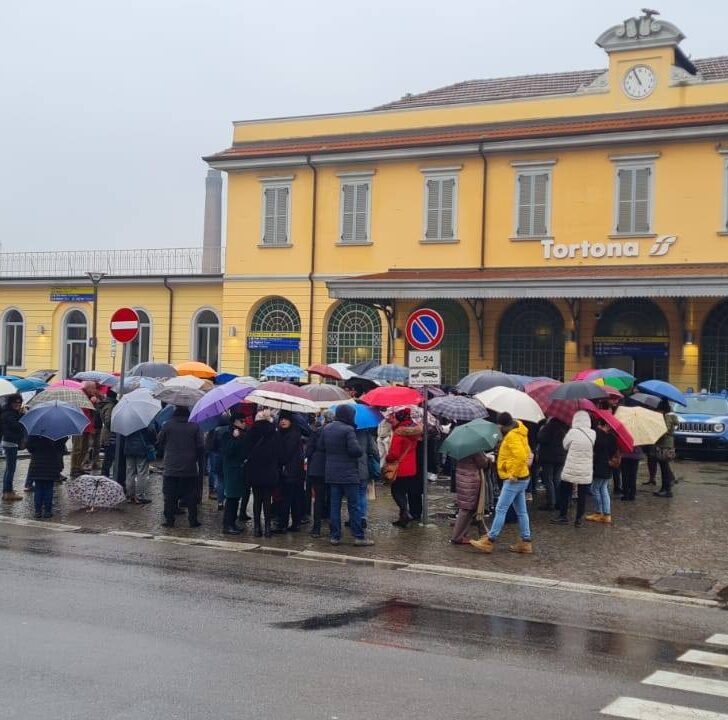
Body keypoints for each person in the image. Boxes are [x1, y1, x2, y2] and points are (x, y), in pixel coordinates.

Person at [470, 412, 532, 554]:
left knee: (500, 509)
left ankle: (490, 540)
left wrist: (513, 473)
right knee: (521, 511)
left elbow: (521, 455)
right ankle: (525, 541)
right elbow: (526, 452)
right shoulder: (520, 430)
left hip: (514, 479)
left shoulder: (512, 436)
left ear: (501, 424)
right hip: (523, 477)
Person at [321, 404, 373, 546]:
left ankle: (335, 536)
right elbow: (355, 451)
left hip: (332, 473)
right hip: (349, 474)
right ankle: (358, 537)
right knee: (354, 506)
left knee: (334, 506)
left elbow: (322, 447)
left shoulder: (327, 428)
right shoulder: (348, 430)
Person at [156, 406, 205, 528]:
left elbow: (159, 441)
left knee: (169, 496)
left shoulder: (167, 425)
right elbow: (201, 446)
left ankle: (169, 520)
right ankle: (193, 520)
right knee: (191, 496)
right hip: (189, 468)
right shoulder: (195, 426)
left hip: (171, 467)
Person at [552, 410, 595, 527]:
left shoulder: (572, 432)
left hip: (571, 467)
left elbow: (565, 445)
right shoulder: (593, 433)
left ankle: (563, 516)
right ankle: (579, 519)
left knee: (565, 491)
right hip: (586, 468)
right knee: (582, 495)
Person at [244, 410, 280, 537]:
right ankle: (268, 528)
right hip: (269, 470)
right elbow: (278, 452)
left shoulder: (251, 431)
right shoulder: (275, 432)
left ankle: (257, 528)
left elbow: (246, 450)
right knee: (267, 499)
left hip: (255, 470)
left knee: (257, 500)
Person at [386, 408, 423, 528]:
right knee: (406, 491)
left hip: (400, 468)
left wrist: (387, 458)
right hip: (411, 467)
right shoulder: (415, 431)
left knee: (396, 491)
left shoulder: (399, 433)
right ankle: (404, 516)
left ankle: (405, 513)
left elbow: (394, 454)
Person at [451, 451, 490, 544]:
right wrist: (488, 458)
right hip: (471, 479)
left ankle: (484, 533)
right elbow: (482, 463)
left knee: (473, 507)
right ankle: (457, 537)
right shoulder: (476, 449)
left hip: (462, 476)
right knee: (467, 509)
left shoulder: (461, 446)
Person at [277, 410, 305, 532]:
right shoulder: (284, 433)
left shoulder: (293, 434)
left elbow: (285, 453)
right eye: (281, 419)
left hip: (291, 472)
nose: (283, 421)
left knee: (287, 499)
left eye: (285, 419)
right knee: (293, 498)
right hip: (292, 472)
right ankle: (295, 523)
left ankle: (284, 524)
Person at [26, 435, 67, 518]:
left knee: (38, 488)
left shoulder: (35, 432)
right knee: (49, 488)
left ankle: (37, 512)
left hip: (37, 463)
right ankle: (48, 512)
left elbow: (29, 447)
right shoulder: (58, 433)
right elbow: (62, 449)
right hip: (51, 463)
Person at [585, 419, 617, 524]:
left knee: (595, 488)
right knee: (603, 489)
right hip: (608, 467)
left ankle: (599, 512)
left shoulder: (598, 435)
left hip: (599, 467)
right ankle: (607, 515)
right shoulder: (612, 437)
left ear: (602, 425)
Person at [306, 411, 332, 538]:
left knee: (318, 499)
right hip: (332, 468)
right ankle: (333, 528)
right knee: (333, 498)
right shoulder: (336, 432)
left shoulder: (317, 431)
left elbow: (308, 451)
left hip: (317, 468)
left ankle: (316, 528)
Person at [220, 414, 247, 535]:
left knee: (236, 498)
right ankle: (228, 525)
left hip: (239, 469)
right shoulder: (228, 434)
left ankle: (232, 523)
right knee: (231, 497)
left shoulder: (242, 433)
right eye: (241, 420)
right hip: (232, 469)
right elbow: (227, 451)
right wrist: (235, 439)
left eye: (244, 420)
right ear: (234, 422)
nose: (244, 422)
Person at [536, 415, 568, 511]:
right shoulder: (565, 426)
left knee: (548, 480)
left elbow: (540, 438)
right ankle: (559, 502)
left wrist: (542, 429)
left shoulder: (549, 426)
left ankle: (551, 503)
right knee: (557, 479)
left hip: (549, 458)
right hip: (561, 457)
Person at [1, 394, 26, 500]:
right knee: (11, 469)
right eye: (15, 402)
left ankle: (8, 490)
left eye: (19, 402)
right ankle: (7, 492)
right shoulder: (8, 414)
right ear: (10, 403)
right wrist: (22, 416)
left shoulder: (10, 413)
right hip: (10, 443)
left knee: (9, 469)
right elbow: (17, 427)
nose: (18, 404)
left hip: (10, 442)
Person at [124, 427, 156, 504]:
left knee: (130, 472)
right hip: (142, 449)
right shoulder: (144, 422)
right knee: (142, 473)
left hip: (129, 449)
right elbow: (152, 434)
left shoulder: (127, 422)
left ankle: (130, 495)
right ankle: (140, 496)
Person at [653, 400, 678, 498]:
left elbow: (665, 430)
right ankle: (664, 488)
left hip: (665, 445)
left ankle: (667, 489)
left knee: (664, 467)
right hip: (666, 444)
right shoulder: (669, 417)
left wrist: (656, 433)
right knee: (664, 467)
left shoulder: (667, 417)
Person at [97, 390, 118, 478]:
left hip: (107, 435)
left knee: (108, 458)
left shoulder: (107, 404)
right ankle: (104, 476)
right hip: (109, 436)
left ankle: (104, 475)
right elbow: (108, 421)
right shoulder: (110, 406)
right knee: (108, 458)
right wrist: (115, 425)